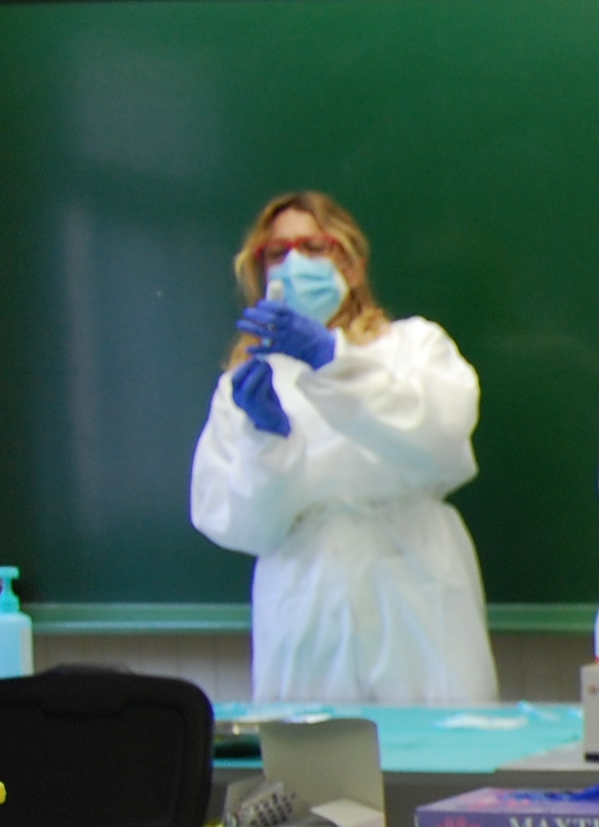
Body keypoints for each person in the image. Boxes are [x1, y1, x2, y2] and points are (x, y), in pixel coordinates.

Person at [189, 190, 498, 705]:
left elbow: (440, 439)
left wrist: (330, 360)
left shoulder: (413, 347)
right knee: (315, 772)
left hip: (414, 588)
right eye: (277, 251)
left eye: (315, 246)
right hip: (305, 600)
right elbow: (234, 522)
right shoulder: (246, 383)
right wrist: (267, 443)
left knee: (442, 768)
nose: (293, 263)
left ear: (352, 266)